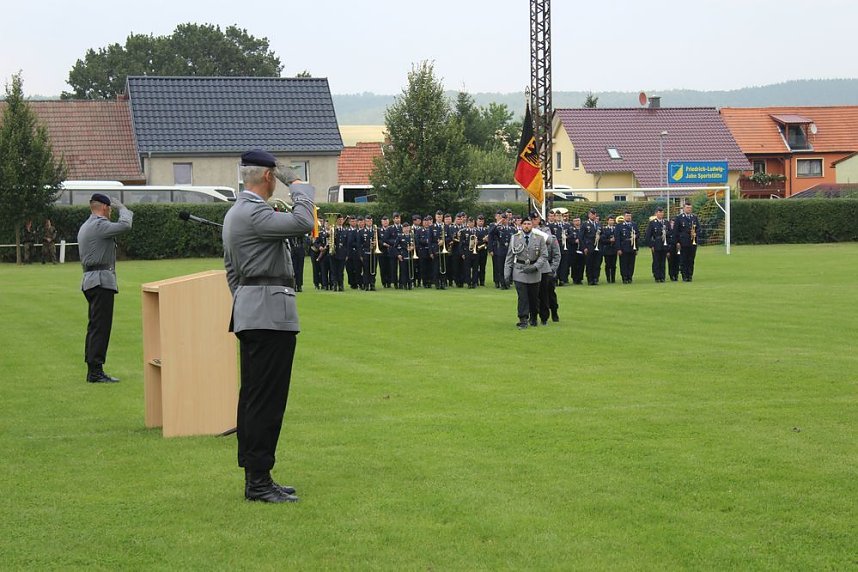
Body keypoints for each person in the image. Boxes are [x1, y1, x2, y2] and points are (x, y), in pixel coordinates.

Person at [222, 149, 315, 504]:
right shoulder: (254, 211)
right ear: (266, 177)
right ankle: (258, 480)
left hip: (252, 310)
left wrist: (246, 299)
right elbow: (304, 222)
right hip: (269, 315)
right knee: (267, 401)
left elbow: (231, 270)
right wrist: (300, 186)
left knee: (254, 397)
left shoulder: (235, 213)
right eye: (276, 176)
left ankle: (257, 475)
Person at [77, 193, 133, 383]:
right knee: (101, 327)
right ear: (104, 208)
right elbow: (125, 225)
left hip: (90, 280)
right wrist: (124, 210)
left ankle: (93, 367)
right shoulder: (99, 225)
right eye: (110, 208)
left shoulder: (86, 225)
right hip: (101, 281)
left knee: (94, 326)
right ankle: (95, 371)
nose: (110, 211)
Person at [504, 217, 549, 330]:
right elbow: (509, 257)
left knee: (533, 297)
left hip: (534, 271)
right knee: (522, 297)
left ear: (532, 225)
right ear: (521, 225)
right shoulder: (515, 238)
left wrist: (535, 266)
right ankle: (523, 319)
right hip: (520, 270)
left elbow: (544, 255)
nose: (527, 226)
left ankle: (533, 316)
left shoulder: (539, 238)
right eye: (524, 224)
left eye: (529, 224)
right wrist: (506, 273)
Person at [674, 202, 701, 281]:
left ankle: (690, 275)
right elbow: (676, 231)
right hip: (683, 242)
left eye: (690, 208)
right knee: (683, 259)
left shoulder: (694, 217)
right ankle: (684, 275)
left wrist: (695, 233)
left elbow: (699, 228)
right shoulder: (679, 218)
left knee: (691, 259)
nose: (689, 209)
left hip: (692, 242)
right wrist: (677, 242)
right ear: (683, 208)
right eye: (687, 207)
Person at [645, 207, 669, 282]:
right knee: (656, 261)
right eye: (659, 212)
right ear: (656, 214)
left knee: (663, 261)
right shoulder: (652, 223)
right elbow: (648, 235)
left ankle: (662, 276)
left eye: (662, 212)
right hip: (656, 244)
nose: (661, 214)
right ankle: (657, 276)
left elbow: (670, 233)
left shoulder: (666, 222)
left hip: (664, 243)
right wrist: (651, 245)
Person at [601, 215, 618, 283]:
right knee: (607, 265)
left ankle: (613, 279)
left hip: (614, 249)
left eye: (612, 220)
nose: (611, 221)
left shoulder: (616, 229)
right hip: (607, 250)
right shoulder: (604, 229)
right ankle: (608, 278)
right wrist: (610, 240)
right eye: (610, 220)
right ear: (607, 221)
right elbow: (603, 239)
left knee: (613, 265)